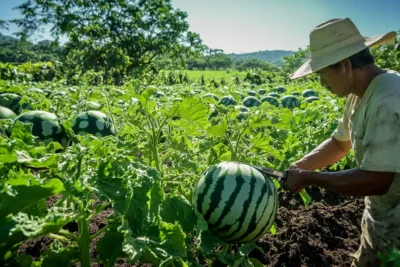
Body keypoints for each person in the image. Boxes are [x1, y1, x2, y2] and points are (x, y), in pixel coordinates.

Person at [282, 18, 400, 267]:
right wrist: (299, 167)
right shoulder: (360, 93)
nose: (322, 84)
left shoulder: (387, 100)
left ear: (345, 65)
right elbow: (339, 144)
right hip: (383, 219)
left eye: (323, 74)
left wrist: (310, 178)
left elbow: (376, 180)